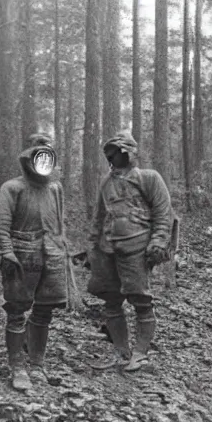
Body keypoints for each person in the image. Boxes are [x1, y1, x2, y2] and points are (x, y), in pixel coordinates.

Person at [87, 130, 174, 372]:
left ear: (130, 154)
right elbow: (98, 217)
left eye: (119, 153)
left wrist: (158, 242)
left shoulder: (149, 178)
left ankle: (140, 354)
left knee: (141, 300)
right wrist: (92, 248)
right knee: (111, 301)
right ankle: (122, 353)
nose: (115, 159)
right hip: (108, 249)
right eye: (111, 155)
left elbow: (163, 213)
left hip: (137, 248)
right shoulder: (106, 183)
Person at [0, 133, 69, 393]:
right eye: (39, 155)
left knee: (44, 311)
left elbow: (59, 224)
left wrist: (62, 252)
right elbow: (2, 228)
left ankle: (37, 364)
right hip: (22, 256)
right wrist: (7, 253)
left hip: (51, 254)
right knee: (16, 312)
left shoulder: (55, 188)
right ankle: (18, 366)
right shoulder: (12, 187)